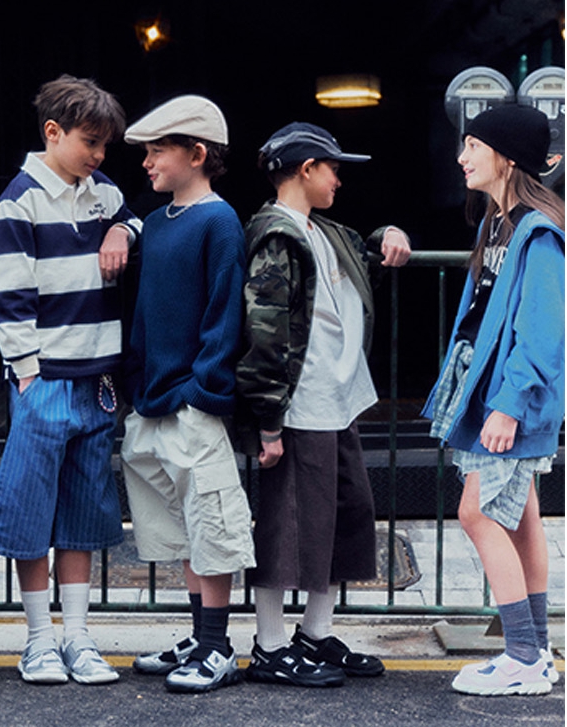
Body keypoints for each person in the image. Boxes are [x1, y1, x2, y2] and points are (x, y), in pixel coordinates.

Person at [235, 122, 411, 688]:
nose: (339, 179)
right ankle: (269, 646)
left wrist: (389, 233)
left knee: (344, 515)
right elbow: (265, 333)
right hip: (301, 405)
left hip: (339, 400)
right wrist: (268, 420)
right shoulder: (276, 236)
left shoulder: (325, 231)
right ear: (306, 169)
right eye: (333, 168)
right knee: (286, 526)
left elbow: (366, 249)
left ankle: (314, 633)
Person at [0, 74, 140, 686]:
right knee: (30, 508)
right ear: (53, 132)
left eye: (104, 145)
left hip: (97, 377)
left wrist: (122, 229)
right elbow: (6, 297)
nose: (99, 154)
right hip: (44, 377)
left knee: (83, 509)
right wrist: (27, 374)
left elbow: (137, 222)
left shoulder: (105, 194)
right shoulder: (17, 203)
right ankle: (39, 640)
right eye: (89, 142)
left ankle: (76, 636)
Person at [423, 104, 564, 696]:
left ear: (505, 157)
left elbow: (544, 332)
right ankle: (537, 652)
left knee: (477, 513)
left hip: (510, 402)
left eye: (473, 146)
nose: (462, 158)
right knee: (522, 518)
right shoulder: (497, 225)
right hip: (492, 394)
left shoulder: (539, 231)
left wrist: (508, 405)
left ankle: (523, 657)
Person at [120, 95, 256, 694]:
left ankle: (218, 646)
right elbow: (145, 313)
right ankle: (201, 636)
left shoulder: (220, 222)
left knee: (211, 523)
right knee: (181, 524)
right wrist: (137, 384)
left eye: (158, 151)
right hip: (153, 399)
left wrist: (204, 391)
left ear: (197, 154)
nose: (147, 162)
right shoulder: (154, 222)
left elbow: (225, 315)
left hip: (193, 401)